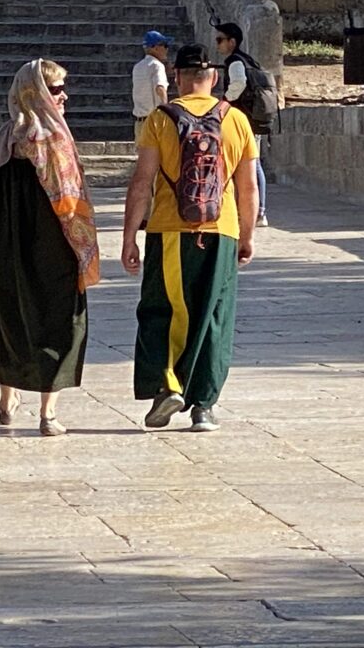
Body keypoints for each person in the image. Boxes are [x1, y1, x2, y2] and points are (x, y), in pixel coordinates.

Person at [121, 43, 259, 433]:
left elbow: (141, 183)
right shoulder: (236, 120)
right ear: (213, 78)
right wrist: (246, 235)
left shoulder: (160, 120)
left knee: (163, 310)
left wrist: (130, 236)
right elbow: (248, 188)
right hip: (223, 230)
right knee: (214, 316)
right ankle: (204, 406)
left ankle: (167, 387)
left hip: (169, 230)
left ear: (178, 77)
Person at [0, 59, 99, 437]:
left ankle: (7, 401)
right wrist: (84, 251)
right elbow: (70, 203)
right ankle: (47, 414)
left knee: (10, 320)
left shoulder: (3, 139)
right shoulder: (54, 141)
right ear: (36, 93)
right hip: (51, 247)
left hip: (8, 247)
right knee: (59, 322)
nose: (64, 96)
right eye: (56, 90)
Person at [215, 22, 270, 227]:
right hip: (251, 119)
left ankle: (259, 211)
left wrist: (224, 103)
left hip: (245, 120)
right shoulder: (247, 60)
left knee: (253, 164)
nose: (218, 44)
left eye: (221, 40)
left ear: (232, 42)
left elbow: (238, 84)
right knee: (250, 163)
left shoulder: (235, 62)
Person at [131, 30, 171, 142]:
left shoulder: (137, 67)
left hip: (139, 122)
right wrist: (167, 111)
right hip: (154, 121)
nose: (167, 49)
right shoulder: (157, 66)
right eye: (165, 45)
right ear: (156, 47)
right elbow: (160, 88)